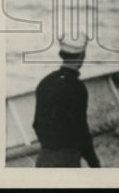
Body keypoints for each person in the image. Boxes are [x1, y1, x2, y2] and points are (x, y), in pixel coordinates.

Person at [33, 35, 100, 168]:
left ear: (60, 53)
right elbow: (81, 132)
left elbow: (36, 124)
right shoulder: (77, 87)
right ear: (82, 55)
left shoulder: (45, 82)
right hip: (67, 161)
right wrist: (94, 163)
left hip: (43, 159)